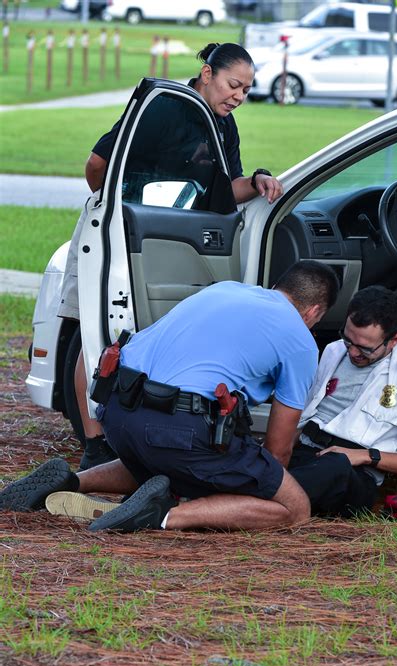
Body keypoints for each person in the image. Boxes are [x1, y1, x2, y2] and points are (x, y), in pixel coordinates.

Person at [58, 42, 284, 471]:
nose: (238, 96)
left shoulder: (222, 126)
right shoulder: (163, 110)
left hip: (163, 235)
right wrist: (114, 209)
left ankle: (133, 431)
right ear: (206, 73)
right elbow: (96, 164)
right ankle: (93, 443)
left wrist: (257, 180)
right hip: (112, 232)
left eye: (246, 90)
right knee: (94, 333)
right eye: (233, 84)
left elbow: (223, 189)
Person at [1, 261, 340, 532]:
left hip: (118, 409)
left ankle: (72, 481)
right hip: (177, 426)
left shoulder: (226, 290)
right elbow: (278, 449)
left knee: (170, 454)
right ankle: (162, 515)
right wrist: (257, 480)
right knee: (294, 508)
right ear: (313, 313)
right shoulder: (300, 339)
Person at [288, 286, 397, 517]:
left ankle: (259, 500)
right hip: (308, 452)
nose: (353, 352)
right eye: (348, 340)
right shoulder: (333, 351)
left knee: (335, 467)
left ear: (393, 340)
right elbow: (306, 413)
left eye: (365, 348)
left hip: (353, 472)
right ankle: (264, 499)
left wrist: (365, 456)